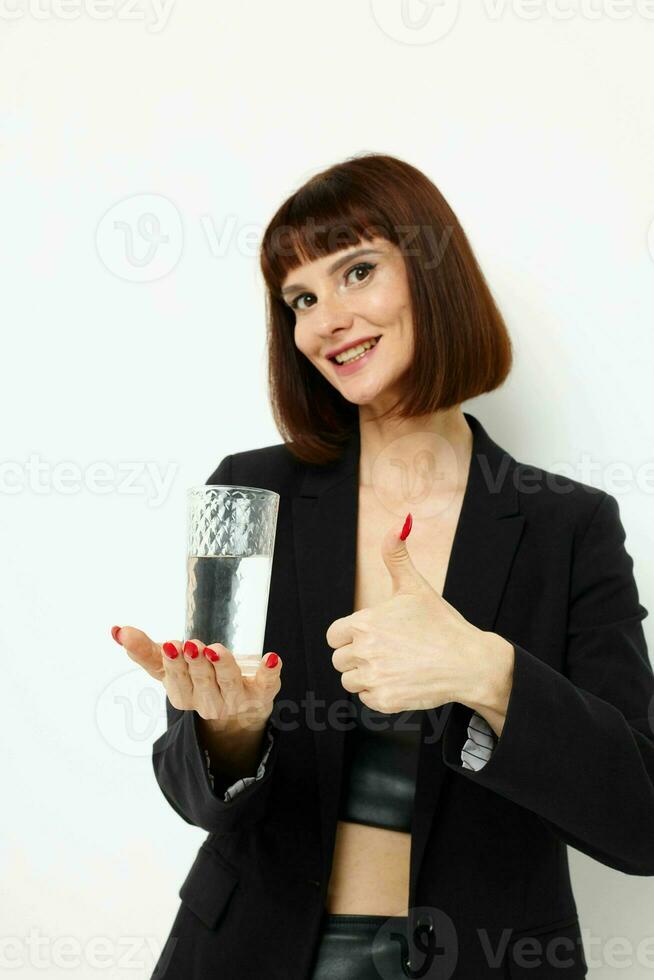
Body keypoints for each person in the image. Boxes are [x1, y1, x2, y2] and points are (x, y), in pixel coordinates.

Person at [111, 153, 654, 979]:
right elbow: (193, 794)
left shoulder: (568, 526)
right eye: (301, 298)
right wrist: (225, 732)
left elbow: (640, 820)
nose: (327, 319)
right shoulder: (251, 492)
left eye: (355, 271)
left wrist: (488, 672)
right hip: (251, 953)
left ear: (434, 275)